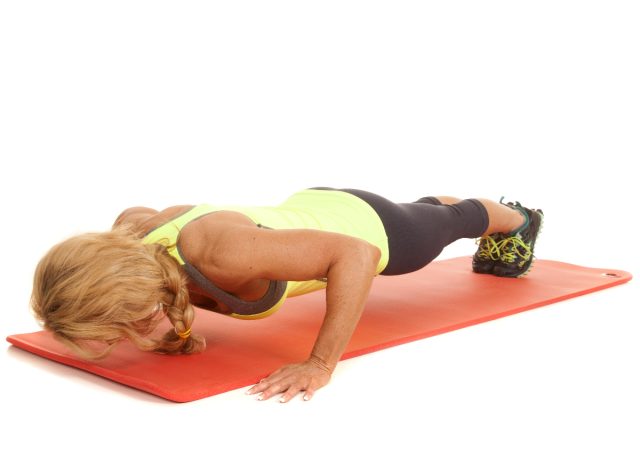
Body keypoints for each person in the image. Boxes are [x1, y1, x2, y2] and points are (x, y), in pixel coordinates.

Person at [31, 188, 543, 402]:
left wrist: (320, 364)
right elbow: (135, 212)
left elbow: (355, 256)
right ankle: (428, 207)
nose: (129, 337)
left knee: (451, 223)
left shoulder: (220, 253)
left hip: (373, 230)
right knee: (427, 210)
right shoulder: (129, 241)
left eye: (129, 323)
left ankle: (519, 219)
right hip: (306, 213)